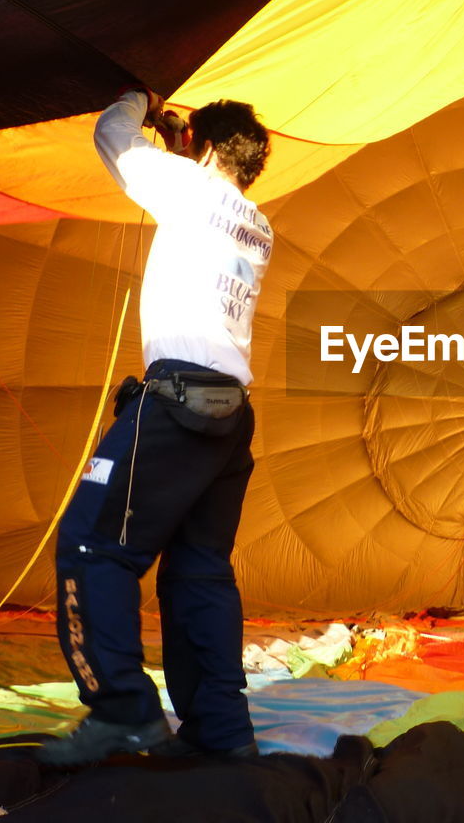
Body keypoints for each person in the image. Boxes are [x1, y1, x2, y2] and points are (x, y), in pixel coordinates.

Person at [37, 89, 273, 765]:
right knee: (199, 573)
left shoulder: (190, 191)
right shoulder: (255, 222)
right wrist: (185, 146)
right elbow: (199, 192)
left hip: (172, 406)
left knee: (90, 545)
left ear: (201, 150)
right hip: (229, 416)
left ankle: (123, 714)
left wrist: (140, 95)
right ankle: (224, 735)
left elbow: (111, 137)